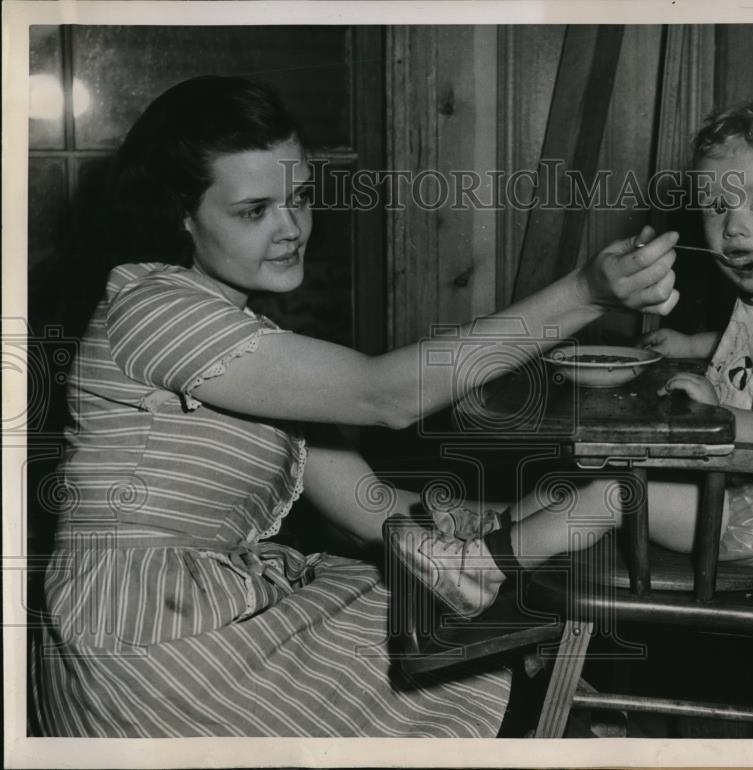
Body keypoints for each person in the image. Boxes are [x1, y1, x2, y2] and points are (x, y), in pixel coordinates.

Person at [32, 75, 682, 738]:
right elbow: (386, 394)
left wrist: (519, 514)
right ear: (181, 214)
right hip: (146, 647)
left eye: (301, 198)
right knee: (494, 693)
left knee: (503, 668)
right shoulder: (154, 310)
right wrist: (586, 292)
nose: (291, 228)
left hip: (208, 614)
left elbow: (370, 507)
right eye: (254, 211)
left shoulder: (249, 342)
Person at [386, 92, 753, 617]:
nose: (734, 227)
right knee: (578, 479)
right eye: (719, 207)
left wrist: (722, 416)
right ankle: (494, 534)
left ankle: (480, 573)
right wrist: (696, 347)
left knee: (611, 492)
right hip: (741, 490)